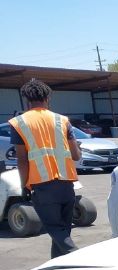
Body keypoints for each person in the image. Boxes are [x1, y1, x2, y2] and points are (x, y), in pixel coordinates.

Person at [10, 79, 82, 258]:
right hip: (66, 186)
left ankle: (82, 261)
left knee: (57, 232)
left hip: (42, 187)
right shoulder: (62, 121)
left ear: (26, 100)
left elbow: (22, 160)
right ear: (48, 98)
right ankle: (58, 269)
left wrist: (23, 185)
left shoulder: (19, 123)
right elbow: (76, 156)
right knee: (62, 233)